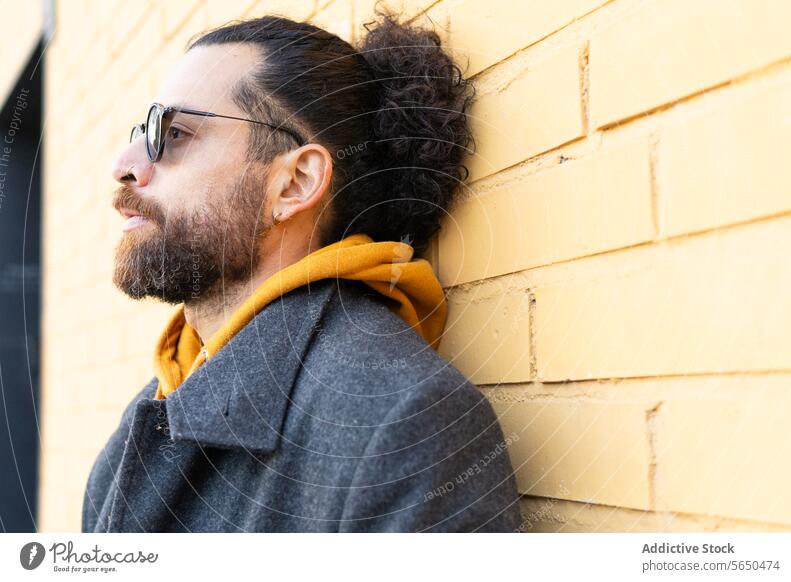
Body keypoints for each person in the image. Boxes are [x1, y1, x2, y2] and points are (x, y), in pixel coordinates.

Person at [82, 8, 522, 533]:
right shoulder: (145, 421)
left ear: (294, 183)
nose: (125, 163)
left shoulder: (401, 421)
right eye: (142, 130)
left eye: (173, 133)